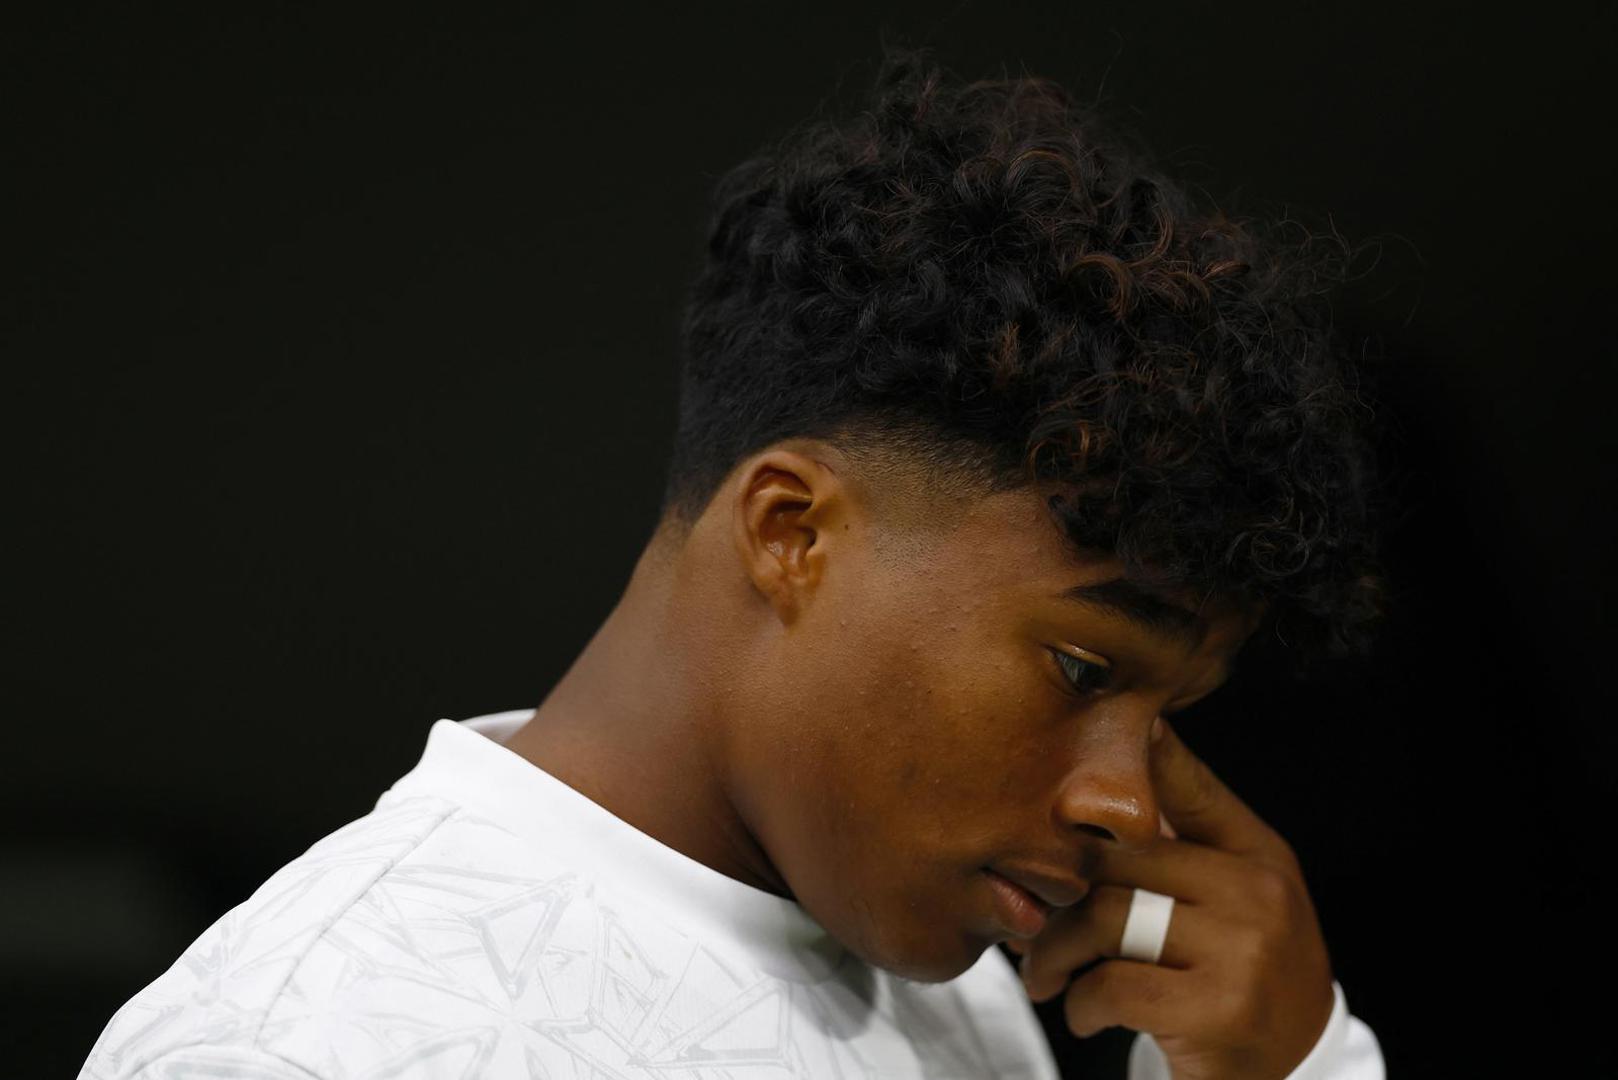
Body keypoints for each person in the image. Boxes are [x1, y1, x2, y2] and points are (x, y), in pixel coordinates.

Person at [79, 44, 1389, 1079]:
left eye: (1164, 719)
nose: (1131, 810)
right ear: (789, 533)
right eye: (1082, 667)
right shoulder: (307, 1041)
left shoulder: (957, 1000)